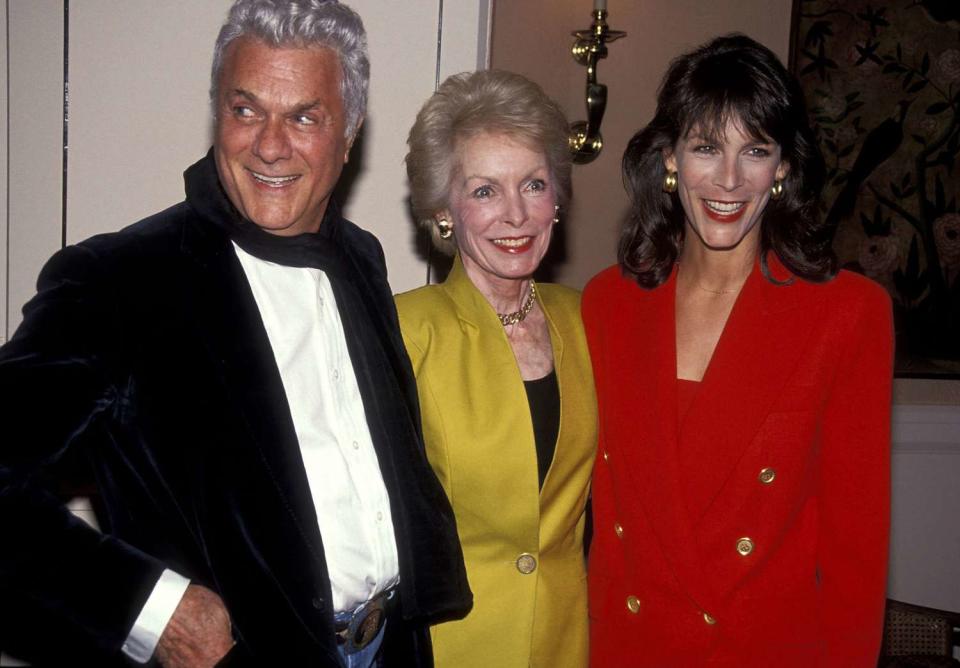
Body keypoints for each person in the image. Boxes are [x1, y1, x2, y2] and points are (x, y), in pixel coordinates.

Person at [0, 1, 471, 666]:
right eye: (245, 110)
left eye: (304, 116)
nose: (269, 144)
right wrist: (153, 609)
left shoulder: (360, 257)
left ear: (350, 131)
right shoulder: (121, 280)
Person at [582, 34, 892, 666]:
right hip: (629, 646)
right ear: (669, 159)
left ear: (782, 169)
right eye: (705, 147)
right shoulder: (607, 304)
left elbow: (854, 552)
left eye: (755, 150)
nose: (729, 180)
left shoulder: (846, 313)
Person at [395, 70, 597, 667]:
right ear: (444, 209)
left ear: (556, 200)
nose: (516, 214)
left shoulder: (589, 320)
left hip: (566, 640)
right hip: (448, 643)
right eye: (485, 190)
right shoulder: (404, 332)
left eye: (533, 185)